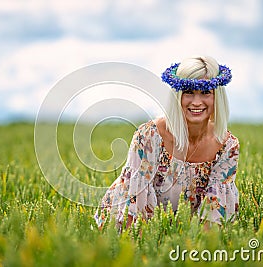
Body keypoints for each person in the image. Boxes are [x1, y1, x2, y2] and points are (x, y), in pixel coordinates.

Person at [94, 55, 240, 231]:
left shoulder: (227, 146)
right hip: (127, 227)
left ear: (217, 97)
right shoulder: (149, 137)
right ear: (177, 96)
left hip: (182, 235)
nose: (196, 102)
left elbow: (214, 215)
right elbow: (136, 207)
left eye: (205, 92)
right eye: (188, 92)